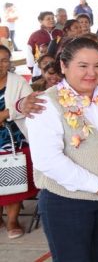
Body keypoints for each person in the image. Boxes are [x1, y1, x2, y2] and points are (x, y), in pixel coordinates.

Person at [27, 38, 98, 261]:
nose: (91, 73)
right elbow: (48, 160)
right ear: (63, 65)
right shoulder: (45, 103)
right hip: (67, 203)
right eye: (83, 66)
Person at [0, 45, 38, 239]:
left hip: (13, 140)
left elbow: (30, 104)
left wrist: (6, 113)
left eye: (5, 60)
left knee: (13, 180)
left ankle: (13, 220)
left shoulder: (18, 82)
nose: (0, 64)